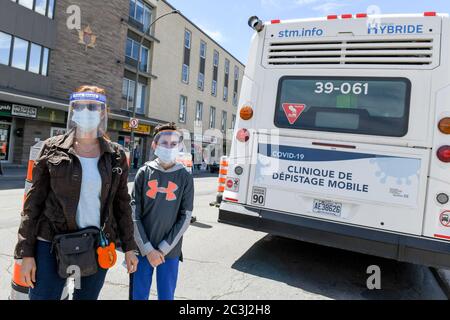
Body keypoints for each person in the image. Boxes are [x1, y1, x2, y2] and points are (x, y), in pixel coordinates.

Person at [15, 85, 139, 300]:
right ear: (73, 110)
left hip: (96, 243)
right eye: (80, 106)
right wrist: (26, 253)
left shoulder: (115, 155)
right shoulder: (52, 148)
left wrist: (129, 247)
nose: (86, 111)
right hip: (51, 243)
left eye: (93, 106)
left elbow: (122, 204)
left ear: (102, 112)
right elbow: (32, 204)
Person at [130, 122, 194, 300]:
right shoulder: (143, 173)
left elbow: (185, 216)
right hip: (143, 248)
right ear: (154, 145)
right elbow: (134, 214)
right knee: (139, 295)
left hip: (170, 250)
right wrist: (148, 249)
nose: (169, 147)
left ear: (179, 146)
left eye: (173, 144)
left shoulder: (185, 177)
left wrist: (163, 249)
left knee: (166, 295)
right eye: (164, 143)